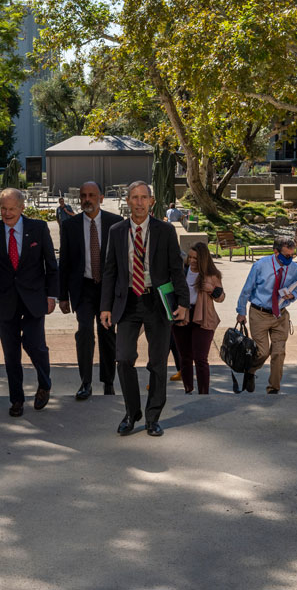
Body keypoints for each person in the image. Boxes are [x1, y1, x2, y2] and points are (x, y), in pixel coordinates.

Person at [100, 181, 189, 437]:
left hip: (157, 302)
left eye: (143, 198)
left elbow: (176, 270)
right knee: (124, 358)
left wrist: (183, 303)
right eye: (134, 198)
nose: (139, 202)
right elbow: (110, 272)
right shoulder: (117, 231)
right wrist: (105, 306)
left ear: (151, 201)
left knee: (158, 363)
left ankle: (152, 417)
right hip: (127, 301)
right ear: (127, 201)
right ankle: (132, 412)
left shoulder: (165, 230)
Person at [0, 188, 59, 418]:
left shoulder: (38, 229)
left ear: (22, 208)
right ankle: (17, 400)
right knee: (11, 354)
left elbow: (51, 266)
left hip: (34, 299)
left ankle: (45, 383)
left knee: (35, 345)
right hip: (6, 300)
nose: (7, 213)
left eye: (11, 208)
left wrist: (52, 295)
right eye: (3, 208)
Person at [58, 181, 124, 400]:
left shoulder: (116, 223)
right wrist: (62, 296)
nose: (87, 199)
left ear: (101, 198)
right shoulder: (70, 226)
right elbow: (64, 262)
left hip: (108, 290)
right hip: (83, 289)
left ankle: (108, 382)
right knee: (84, 332)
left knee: (107, 336)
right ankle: (85, 382)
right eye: (84, 195)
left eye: (92, 195)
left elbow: (122, 261)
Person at [235, 236, 297, 394]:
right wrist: (241, 311)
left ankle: (273, 388)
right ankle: (250, 371)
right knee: (263, 351)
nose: (290, 259)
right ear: (275, 252)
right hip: (259, 313)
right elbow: (247, 289)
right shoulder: (260, 265)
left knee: (279, 352)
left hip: (280, 315)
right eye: (286, 256)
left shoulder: (295, 269)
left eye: (292, 255)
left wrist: (292, 296)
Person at [173, 242, 224, 394]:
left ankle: (203, 393)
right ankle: (188, 389)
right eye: (190, 257)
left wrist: (212, 289)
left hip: (203, 317)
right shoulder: (182, 271)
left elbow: (221, 297)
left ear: (203, 259)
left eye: (195, 258)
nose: (192, 260)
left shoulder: (212, 275)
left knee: (201, 358)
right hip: (183, 316)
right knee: (185, 357)